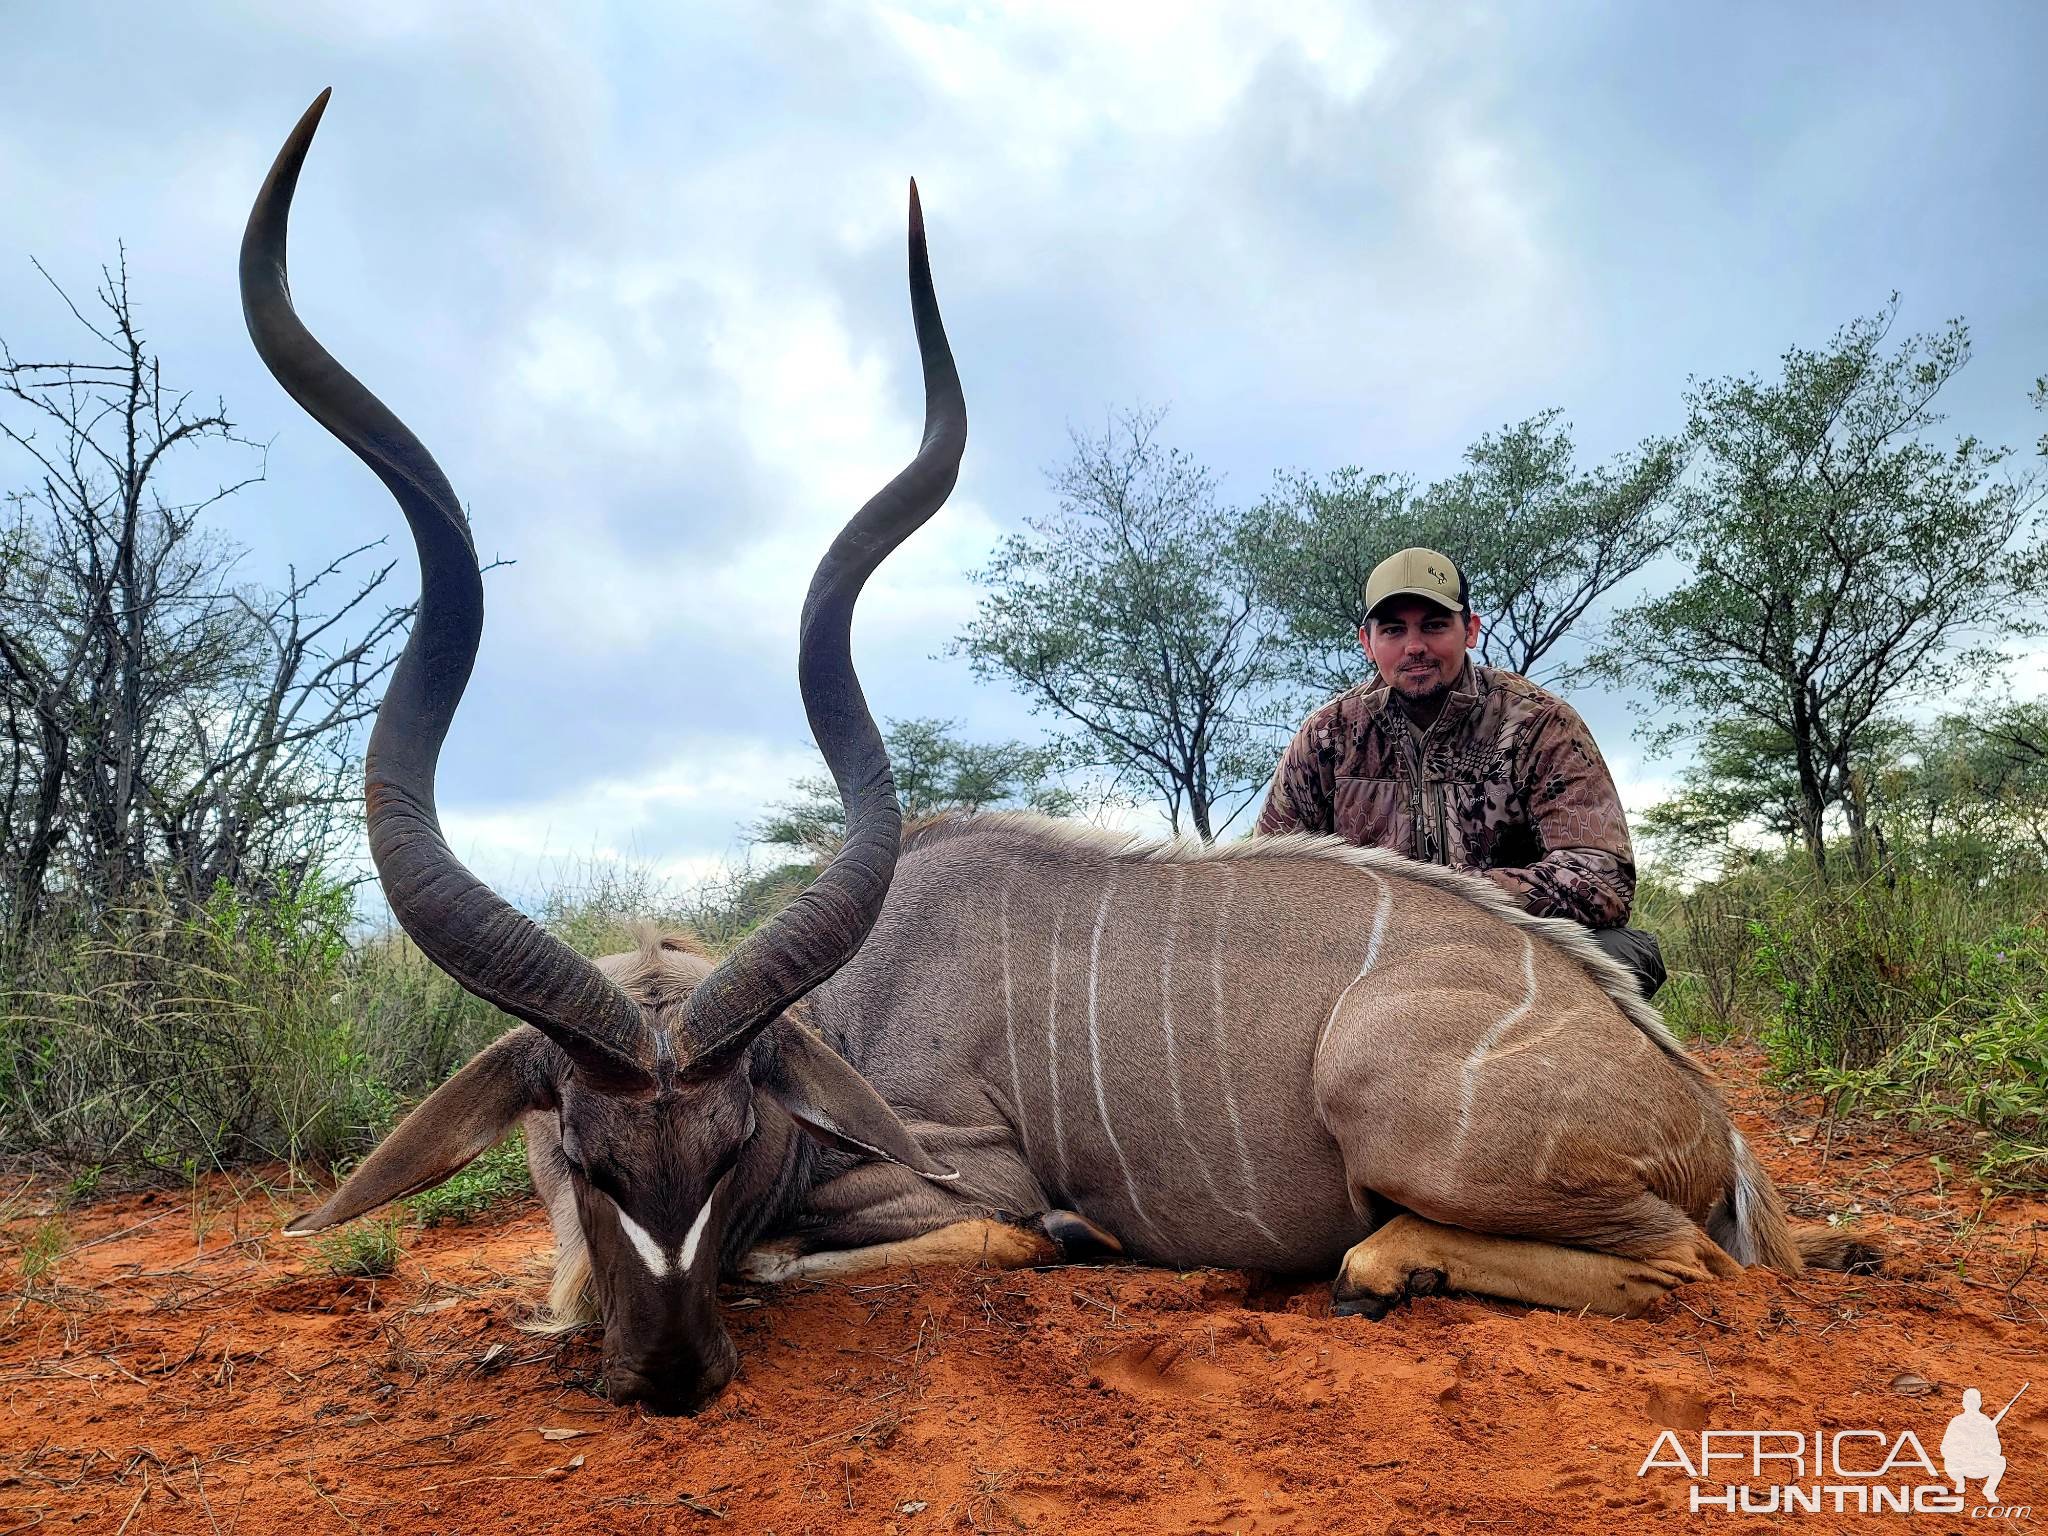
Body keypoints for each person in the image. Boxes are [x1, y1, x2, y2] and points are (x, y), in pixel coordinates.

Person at [1255, 546, 1666, 998]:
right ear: (1367, 642)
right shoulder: (1327, 737)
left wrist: (1444, 901)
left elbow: (1601, 876)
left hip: (1508, 948)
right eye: (1394, 630)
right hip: (1372, 961)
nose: (1415, 646)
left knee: (1623, 955)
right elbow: (1272, 882)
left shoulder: (1539, 723)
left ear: (1469, 630)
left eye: (1434, 625)